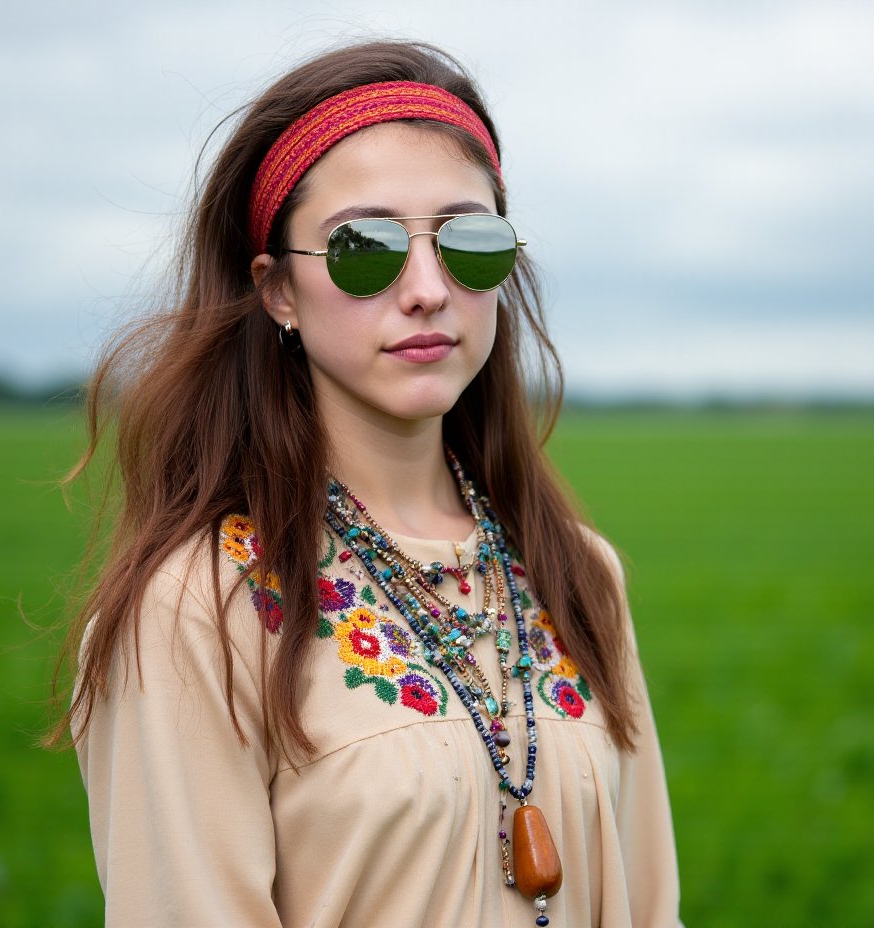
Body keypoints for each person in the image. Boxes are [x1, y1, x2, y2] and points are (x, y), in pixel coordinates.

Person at [50, 39, 682, 928]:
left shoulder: (579, 574)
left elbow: (650, 908)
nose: (427, 288)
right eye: (365, 247)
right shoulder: (199, 609)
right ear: (277, 292)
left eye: (469, 241)